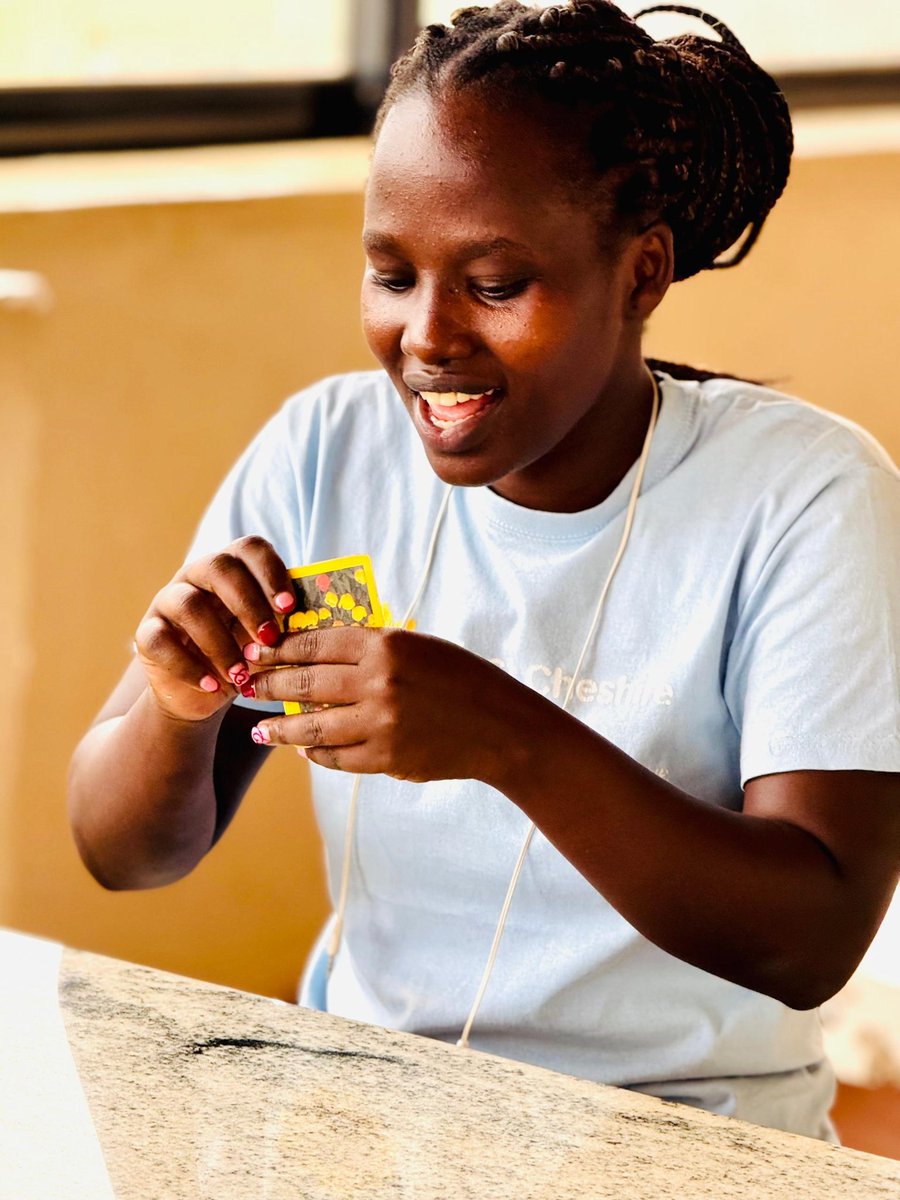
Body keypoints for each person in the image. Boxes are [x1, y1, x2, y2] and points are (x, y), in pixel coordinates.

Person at [68, 1, 899, 1142]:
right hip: (368, 1114)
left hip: (690, 1138)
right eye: (391, 273)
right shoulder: (325, 453)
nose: (427, 336)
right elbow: (122, 853)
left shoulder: (803, 494)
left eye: (497, 285)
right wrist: (175, 708)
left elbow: (812, 940)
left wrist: (506, 737)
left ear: (643, 273)